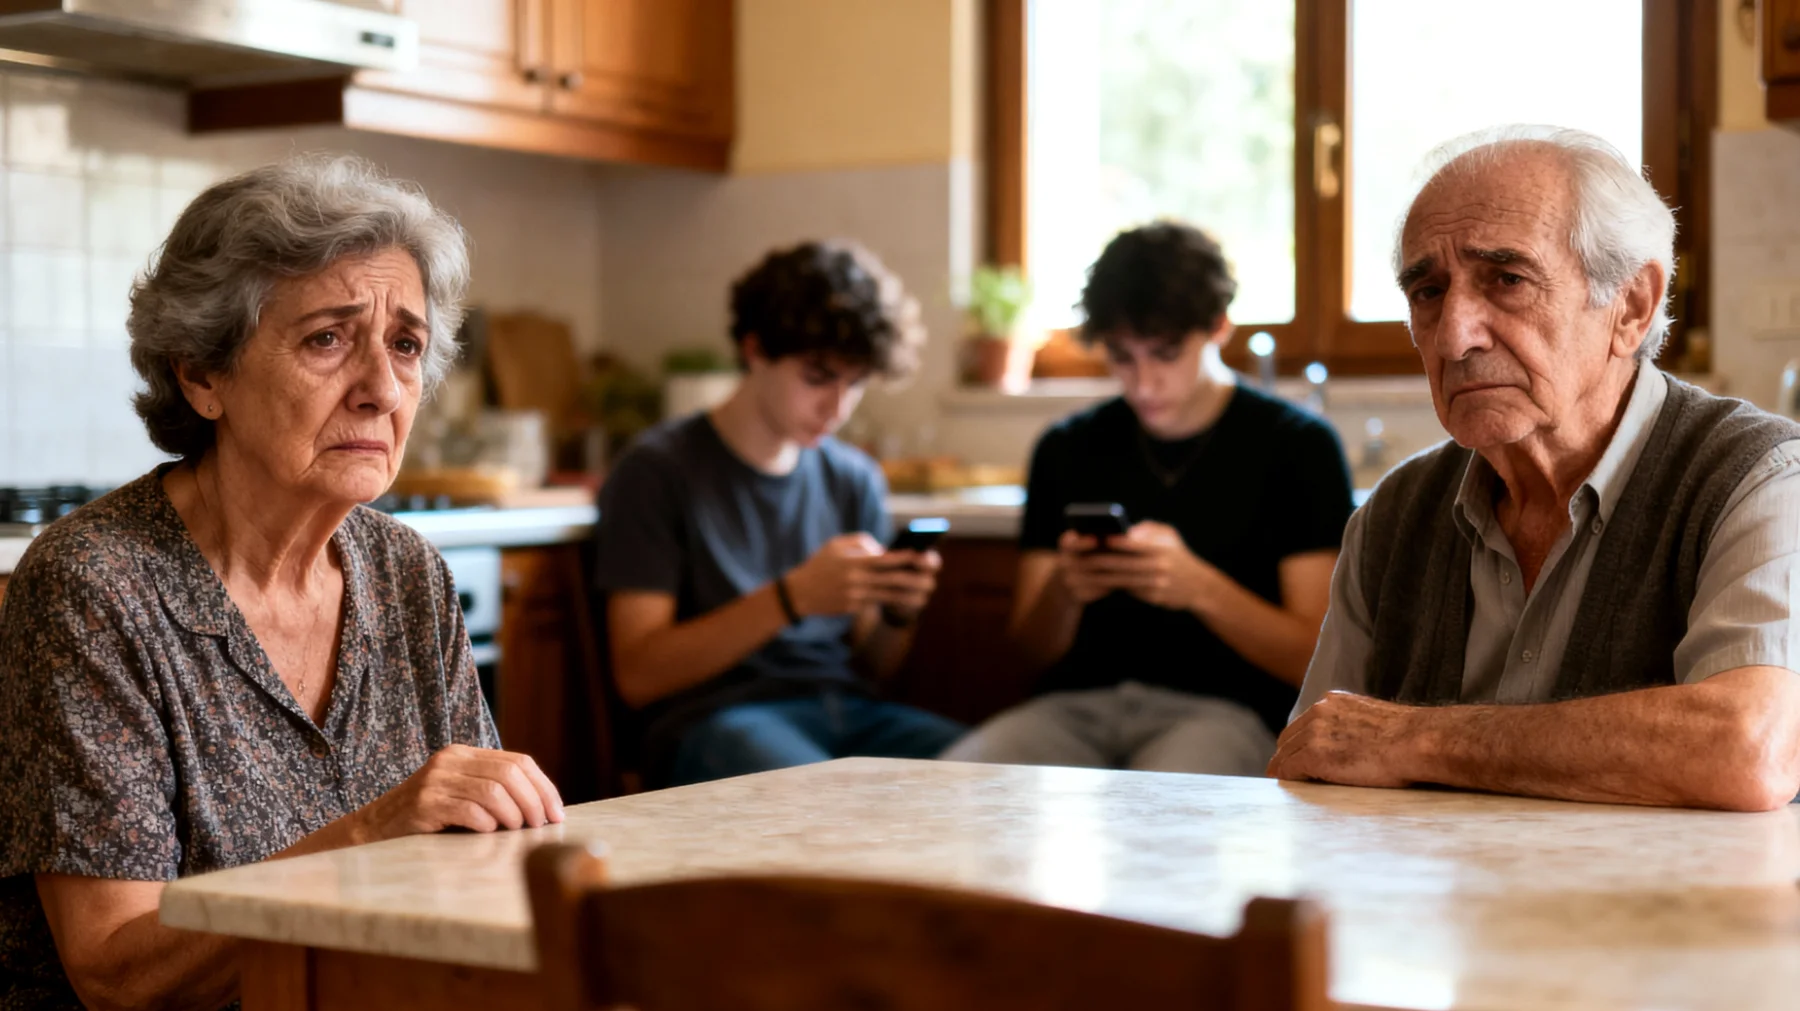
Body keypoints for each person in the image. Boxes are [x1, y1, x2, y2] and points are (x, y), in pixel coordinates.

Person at [0, 155, 566, 1011]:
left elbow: (475, 867)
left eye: (405, 345)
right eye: (328, 338)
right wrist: (374, 831)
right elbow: (115, 969)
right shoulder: (96, 585)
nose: (381, 389)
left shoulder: (407, 570)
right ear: (202, 374)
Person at [1271, 126, 1800, 812]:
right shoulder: (1394, 516)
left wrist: (1417, 741)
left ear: (1631, 307)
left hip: (1671, 915)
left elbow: (1748, 750)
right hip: (1427, 913)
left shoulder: (1758, 478)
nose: (1456, 336)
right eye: (1429, 292)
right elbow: (1313, 758)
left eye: (1508, 279)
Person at [942, 223, 1354, 774]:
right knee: (955, 788)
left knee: (1161, 821)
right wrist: (1065, 589)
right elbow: (1030, 652)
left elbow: (1316, 659)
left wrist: (1198, 588)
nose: (1142, 383)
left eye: (1164, 354)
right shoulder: (1067, 447)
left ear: (1217, 327)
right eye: (1121, 356)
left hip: (1225, 713)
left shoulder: (1297, 447)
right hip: (1071, 711)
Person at [595, 241, 965, 788]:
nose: (837, 408)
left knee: (987, 772)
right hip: (714, 722)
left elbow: (874, 667)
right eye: (818, 377)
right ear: (755, 349)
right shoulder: (656, 471)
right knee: (820, 793)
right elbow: (640, 674)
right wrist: (792, 598)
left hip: (850, 713)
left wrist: (897, 614)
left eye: (855, 383)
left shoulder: (853, 478)